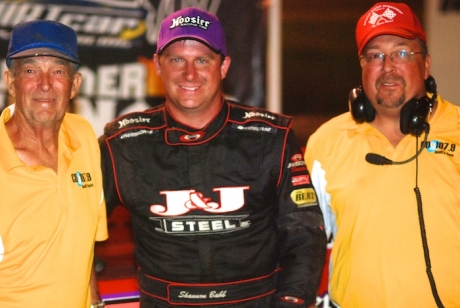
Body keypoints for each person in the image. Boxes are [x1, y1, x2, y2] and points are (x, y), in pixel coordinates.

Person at [100, 7, 327, 308]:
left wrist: (291, 301)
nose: (189, 74)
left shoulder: (270, 136)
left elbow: (305, 234)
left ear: (223, 66)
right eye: (177, 59)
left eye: (203, 60)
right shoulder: (123, 142)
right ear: (157, 65)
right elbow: (72, 229)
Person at [304, 2, 460, 307]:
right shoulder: (326, 141)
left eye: (402, 53)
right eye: (375, 55)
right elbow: (303, 244)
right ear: (362, 66)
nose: (388, 67)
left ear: (426, 64)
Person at [0, 20, 108, 308]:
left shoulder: (83, 135)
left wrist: (95, 303)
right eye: (31, 71)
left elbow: (85, 246)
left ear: (74, 85)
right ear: (11, 81)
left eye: (58, 71)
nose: (45, 84)